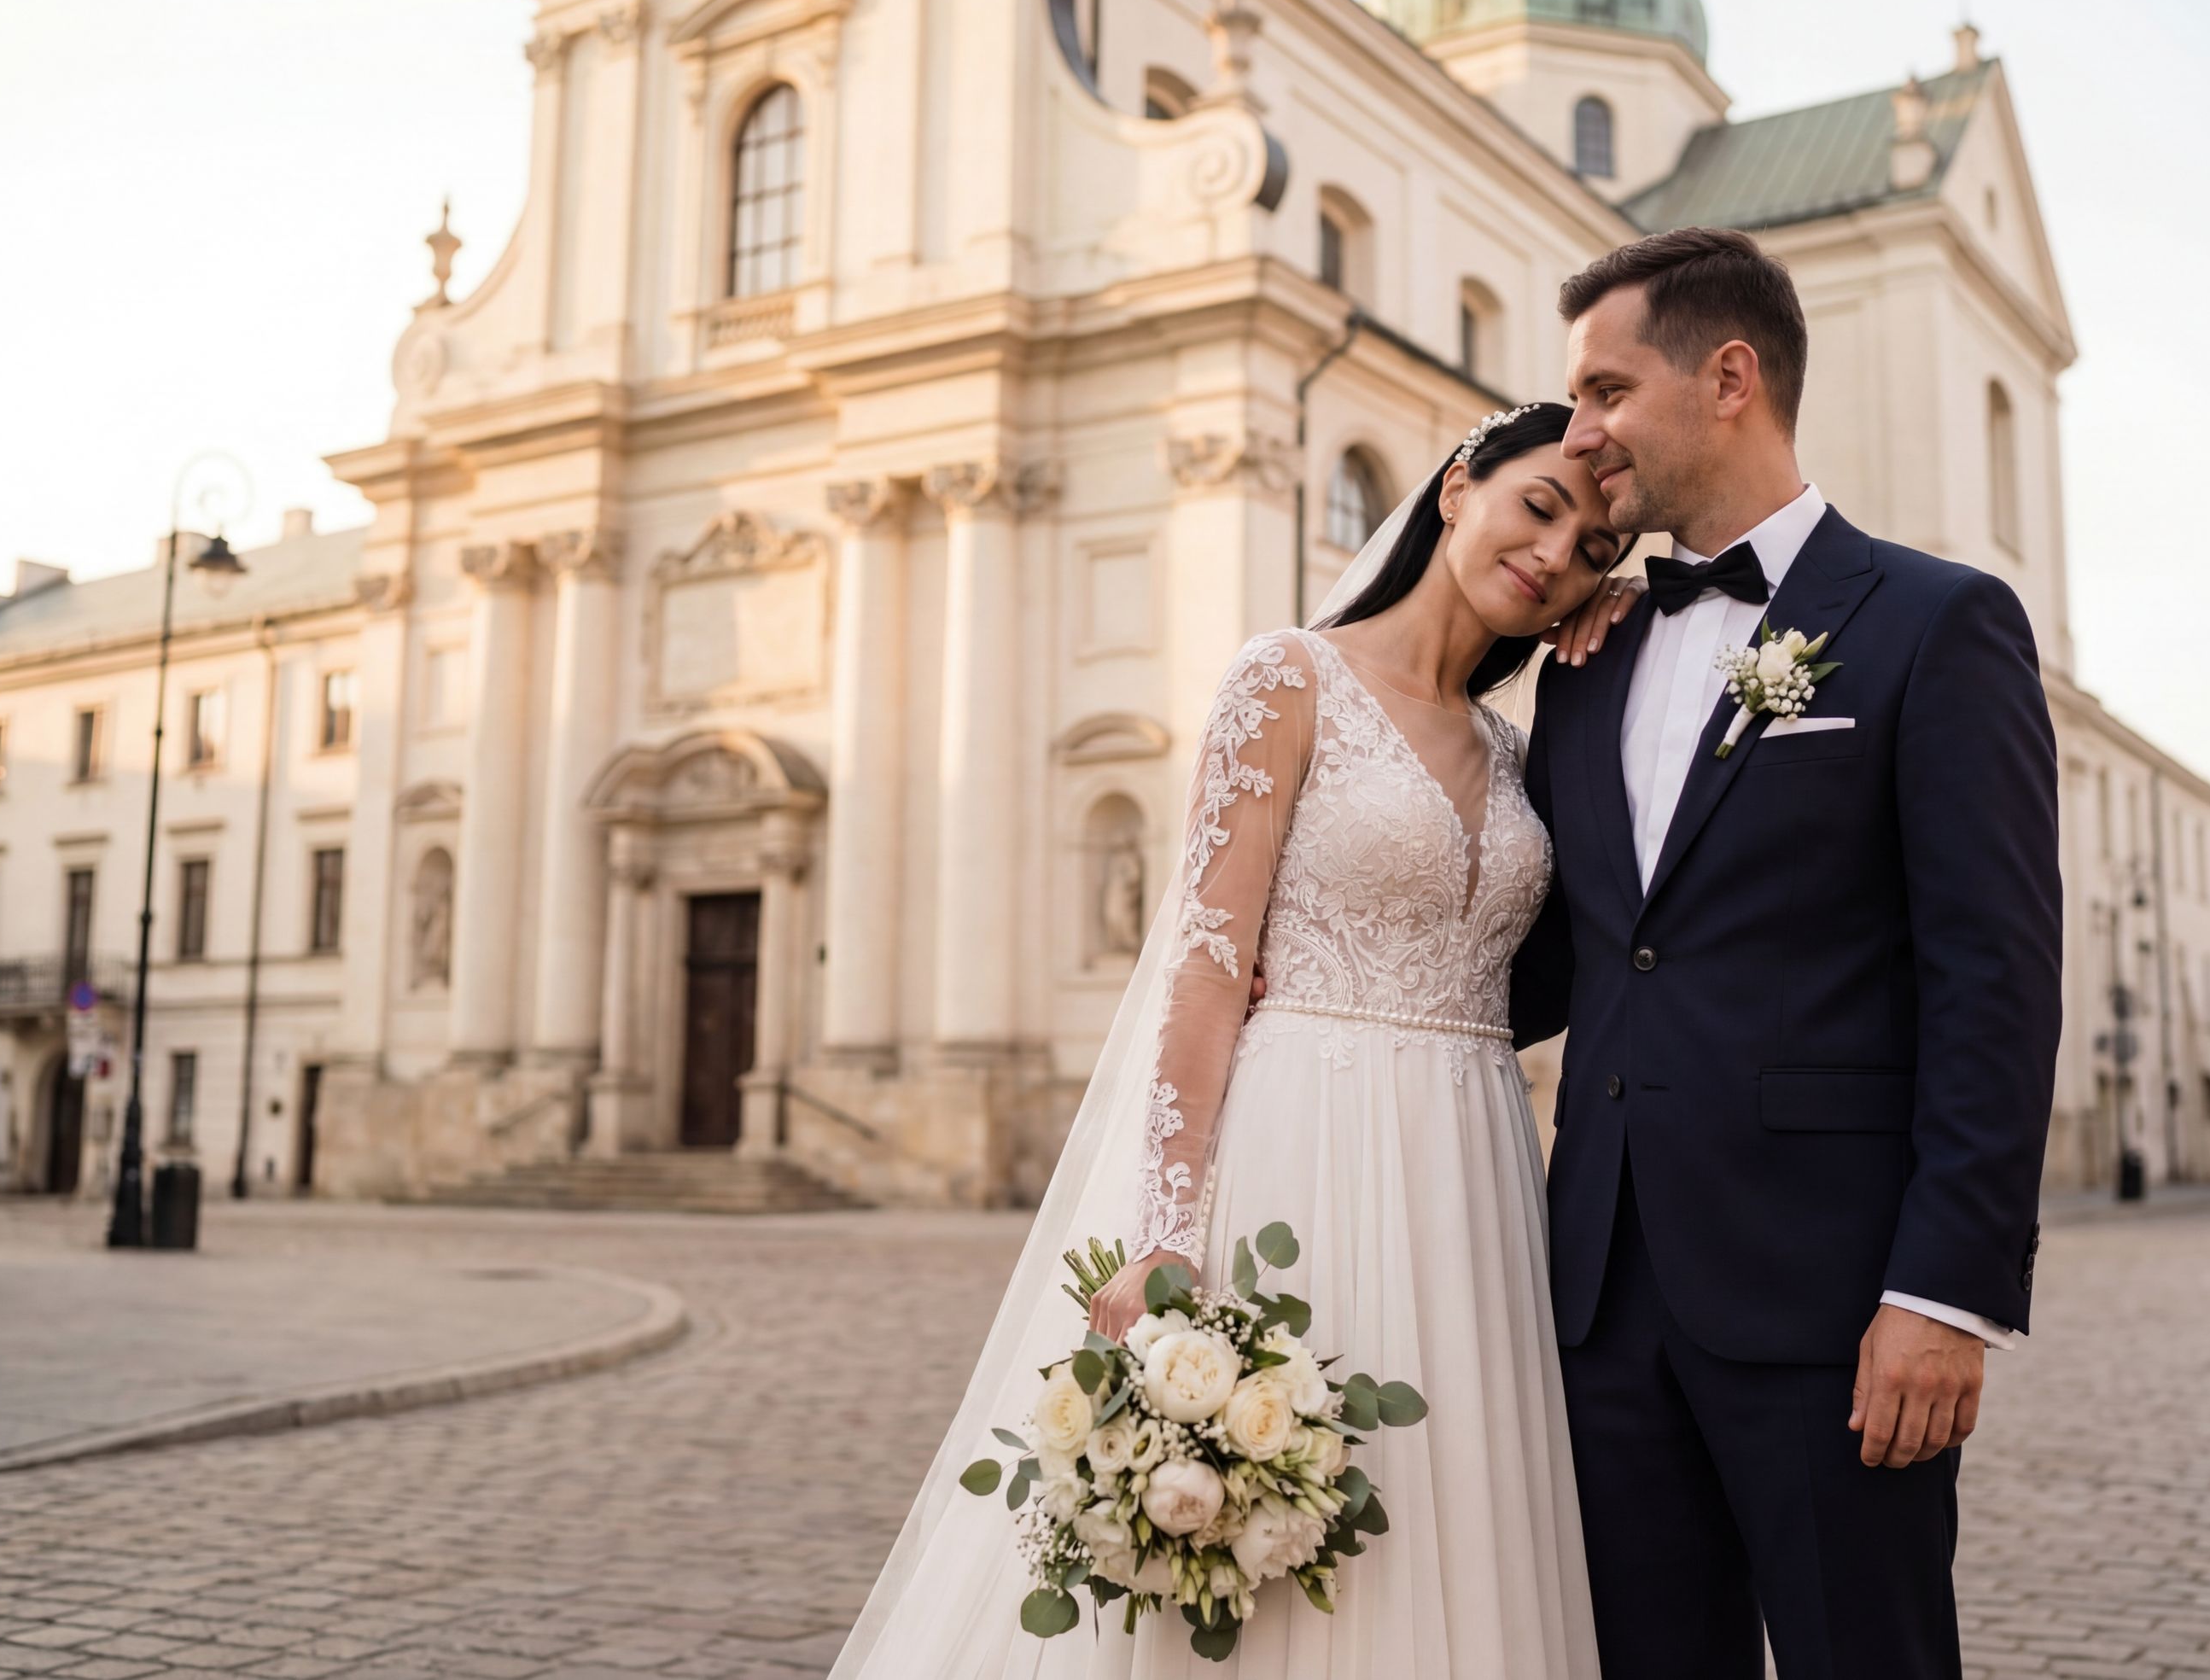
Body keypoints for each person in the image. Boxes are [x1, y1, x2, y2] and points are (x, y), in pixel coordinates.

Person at [831, 403, 1630, 1678]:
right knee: (1283, 1539)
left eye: (1594, 549)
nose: (1555, 555)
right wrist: (1164, 1230)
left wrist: (1624, 628)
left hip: (1474, 1178)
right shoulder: (1289, 677)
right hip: (1301, 1147)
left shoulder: (1522, 748)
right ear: (1459, 485)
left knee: (1451, 1517)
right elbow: (1204, 977)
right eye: (1540, 507)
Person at [1520, 226, 2063, 1678]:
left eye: (1604, 392)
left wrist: (1944, 1295)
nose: (1578, 439)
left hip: (1835, 1311)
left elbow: (1994, 982)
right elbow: (1564, 957)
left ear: (1731, 378)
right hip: (1604, 1310)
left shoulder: (1936, 626)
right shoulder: (1589, 661)